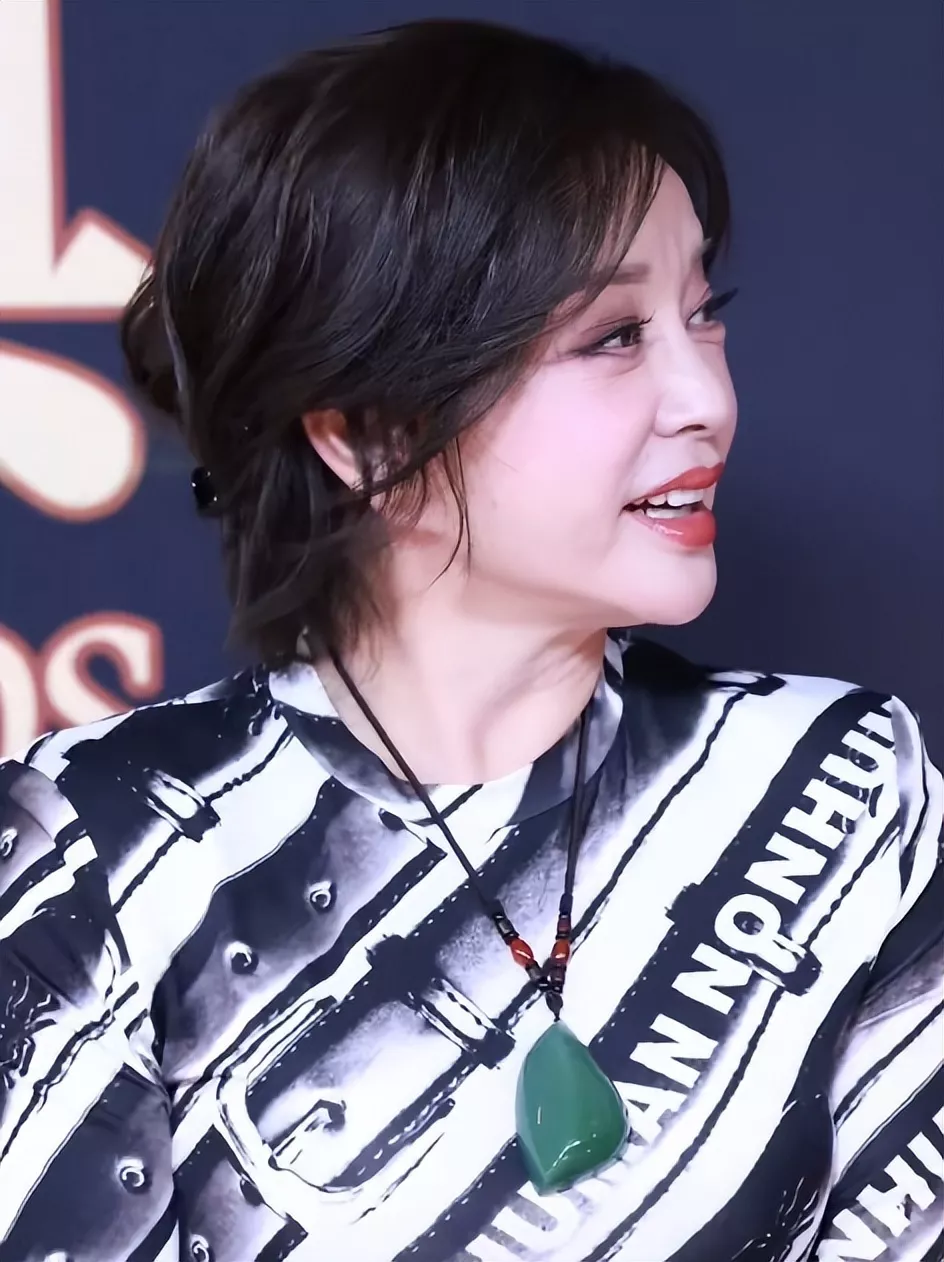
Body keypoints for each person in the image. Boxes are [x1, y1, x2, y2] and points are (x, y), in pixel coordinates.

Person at [0, 18, 940, 1262]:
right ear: (366, 434)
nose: (706, 398)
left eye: (701, 315)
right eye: (613, 336)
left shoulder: (837, 781)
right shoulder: (96, 846)